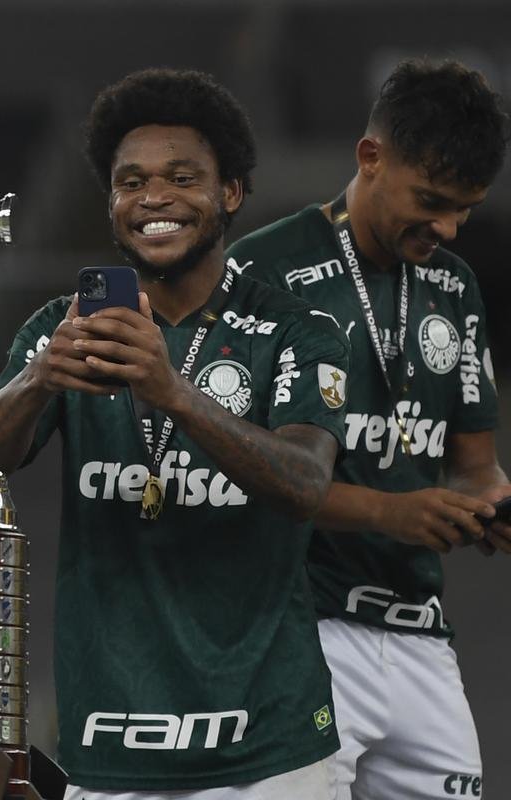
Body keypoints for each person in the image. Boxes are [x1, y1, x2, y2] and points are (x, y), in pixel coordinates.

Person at [0, 69, 350, 799]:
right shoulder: (64, 331)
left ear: (231, 192)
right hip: (113, 748)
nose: (154, 199)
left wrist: (174, 393)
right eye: (130, 182)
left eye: (181, 177)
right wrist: (40, 377)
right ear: (111, 204)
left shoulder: (298, 331)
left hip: (271, 750)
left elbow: (305, 484)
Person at [226, 59, 510, 799]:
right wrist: (395, 513)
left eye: (466, 209)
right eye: (431, 200)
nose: (446, 227)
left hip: (421, 631)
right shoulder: (263, 272)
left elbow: (476, 464)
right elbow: (237, 472)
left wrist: (490, 505)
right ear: (371, 156)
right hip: (301, 627)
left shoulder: (456, 286)